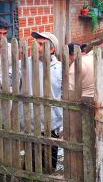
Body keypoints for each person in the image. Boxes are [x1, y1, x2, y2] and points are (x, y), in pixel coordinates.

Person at [28, 31, 62, 170]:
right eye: (36, 42)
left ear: (52, 49)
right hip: (30, 120)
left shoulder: (60, 68)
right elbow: (7, 78)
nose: (37, 46)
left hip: (52, 121)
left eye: (41, 44)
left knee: (50, 159)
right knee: (32, 158)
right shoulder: (24, 63)